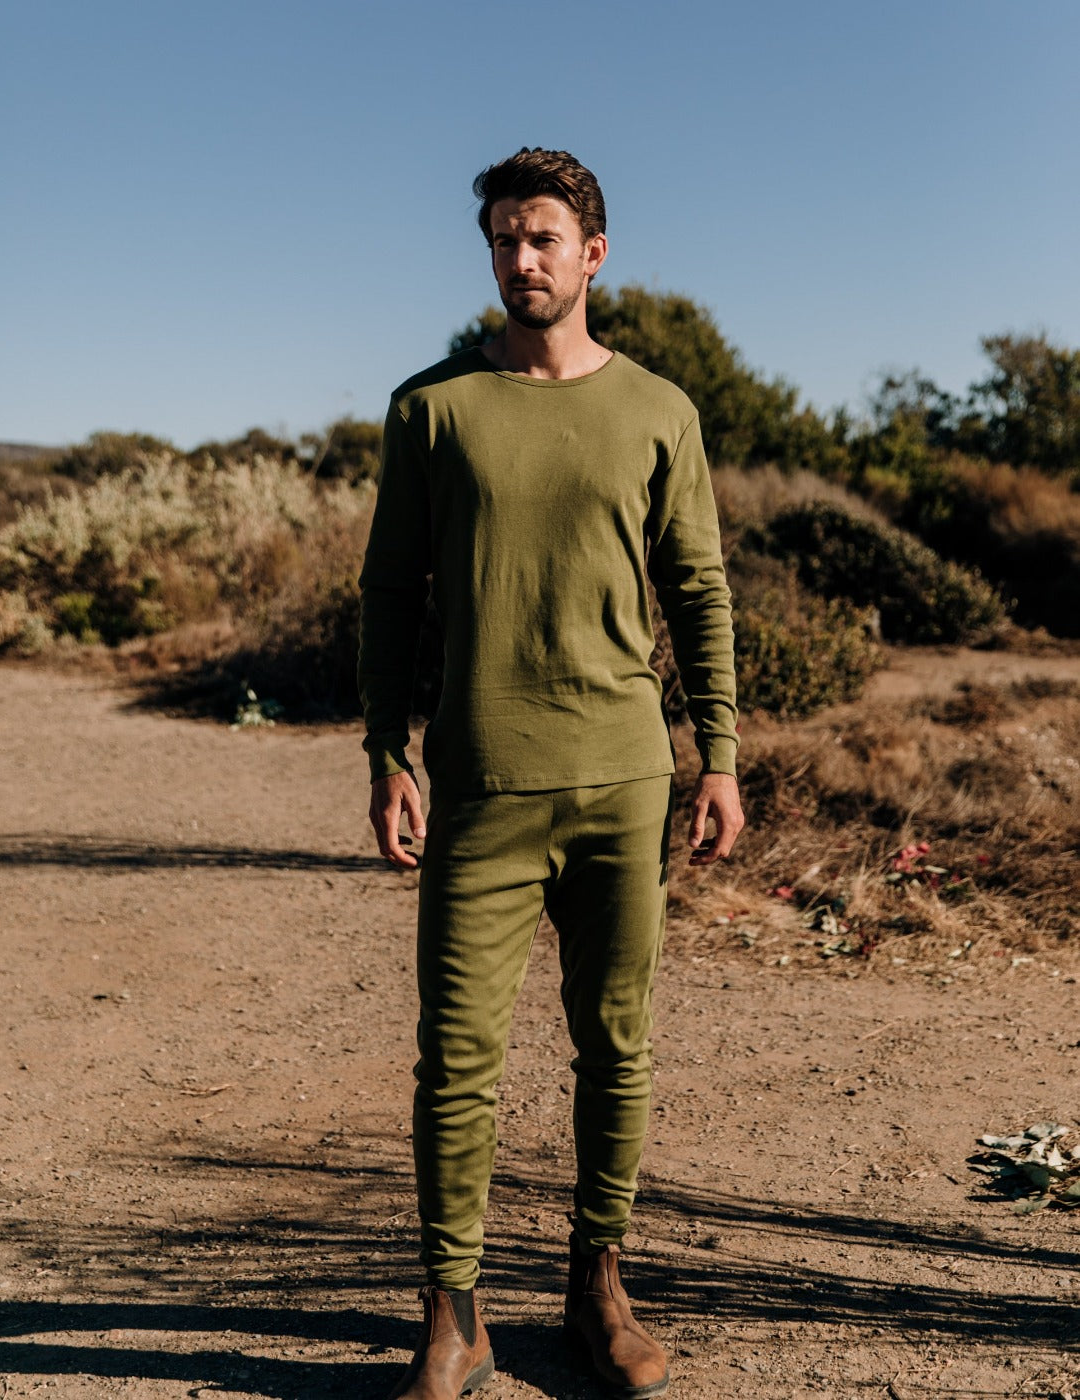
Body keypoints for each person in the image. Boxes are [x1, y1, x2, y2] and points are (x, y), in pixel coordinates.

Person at [358, 147, 743, 1400]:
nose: (518, 260)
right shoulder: (432, 408)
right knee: (453, 1060)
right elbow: (388, 592)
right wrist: (385, 749)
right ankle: (452, 1316)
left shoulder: (658, 410)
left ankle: (597, 1286)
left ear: (592, 255)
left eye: (540, 239)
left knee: (615, 1045)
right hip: (480, 777)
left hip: (623, 775)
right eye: (500, 240)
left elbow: (697, 590)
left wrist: (719, 754)